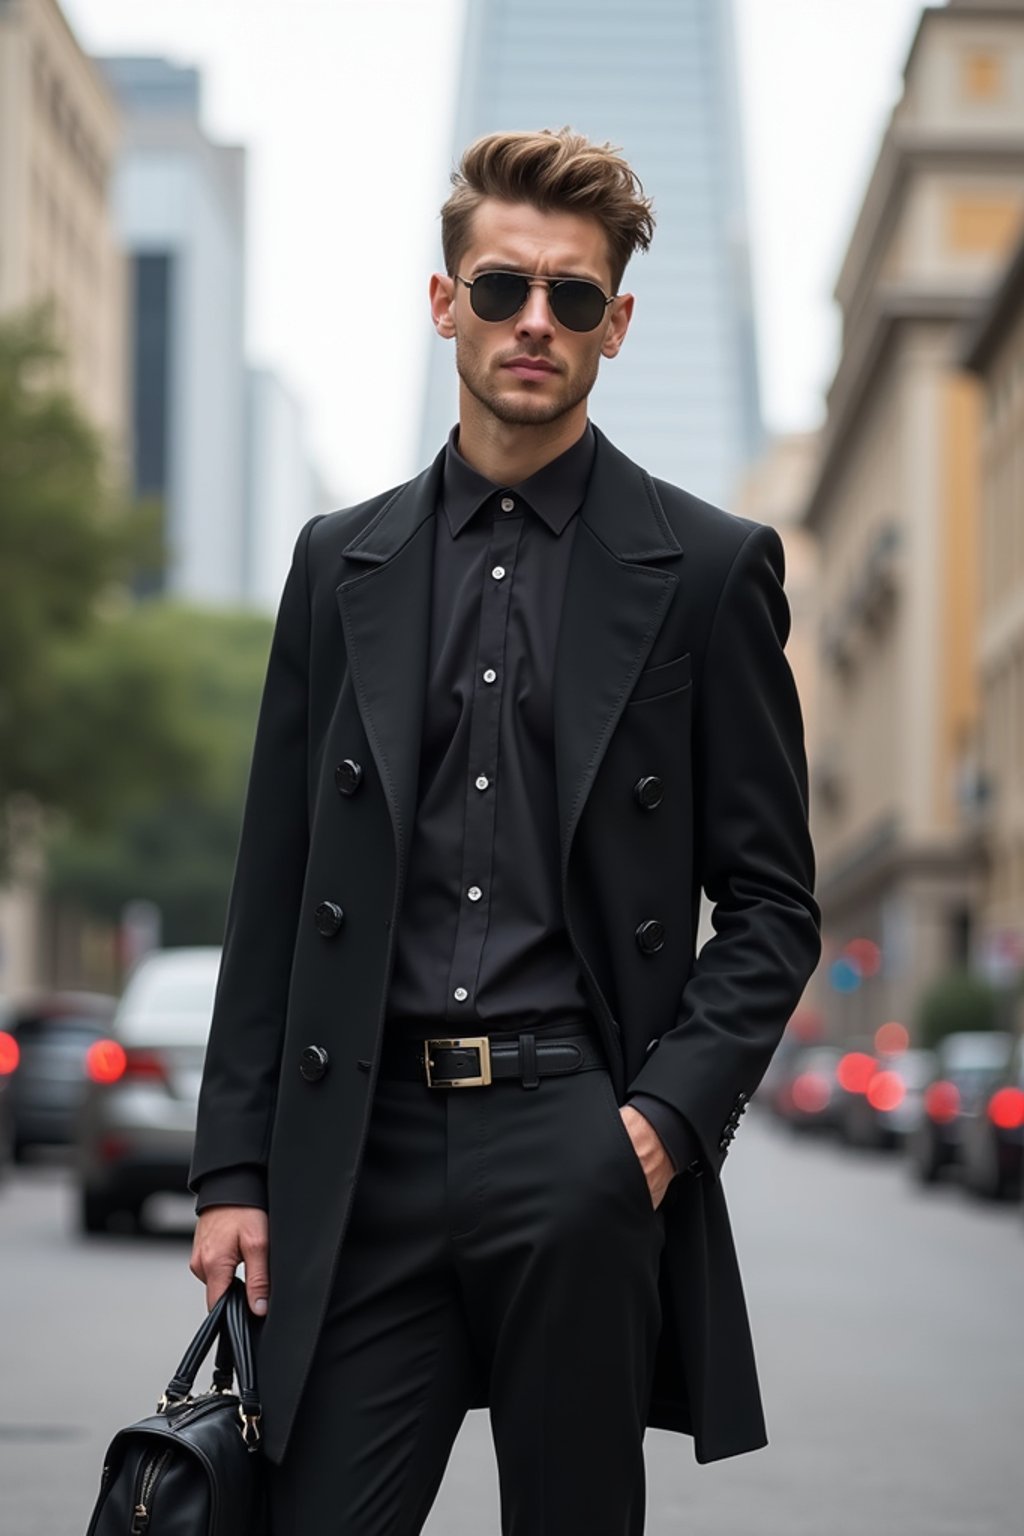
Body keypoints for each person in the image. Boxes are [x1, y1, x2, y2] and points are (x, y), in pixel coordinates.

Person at [188, 126, 822, 1535]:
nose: (535, 322)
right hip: (368, 1143)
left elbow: (774, 904)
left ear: (617, 325)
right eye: (502, 288)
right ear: (443, 303)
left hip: (575, 1142)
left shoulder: (708, 572)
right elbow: (275, 887)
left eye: (573, 297)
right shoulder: (335, 561)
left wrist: (656, 1128)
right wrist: (233, 1170)